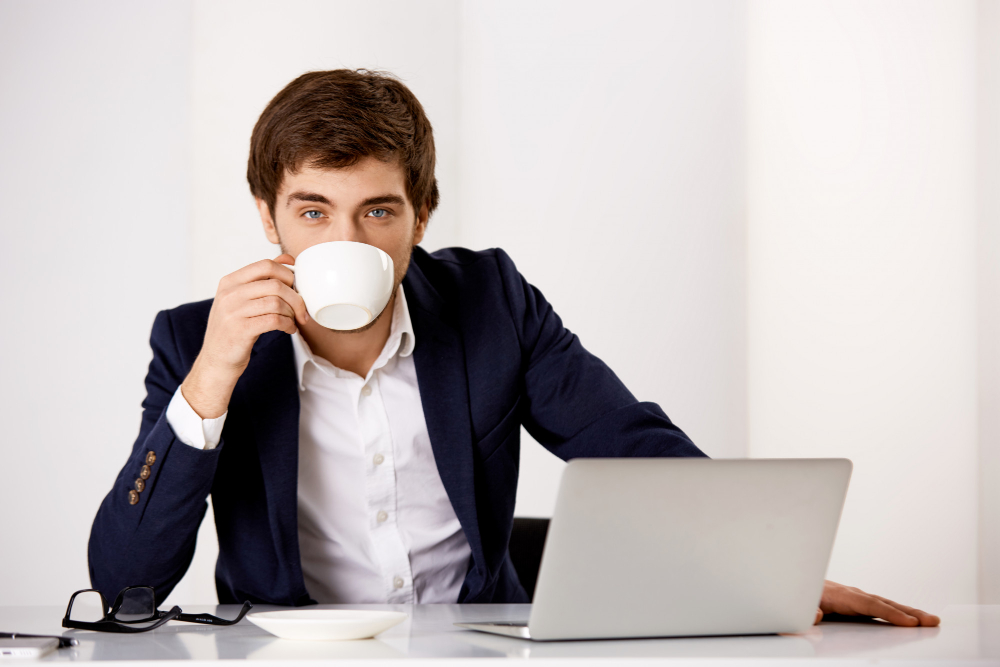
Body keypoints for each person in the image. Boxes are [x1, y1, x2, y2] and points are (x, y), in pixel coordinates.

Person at [89, 69, 939, 627]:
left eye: (377, 211)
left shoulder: (489, 300)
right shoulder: (195, 338)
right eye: (312, 212)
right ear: (268, 218)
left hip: (480, 648)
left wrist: (761, 567)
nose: (342, 238)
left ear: (423, 217)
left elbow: (626, 439)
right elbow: (126, 587)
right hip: (290, 653)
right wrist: (209, 382)